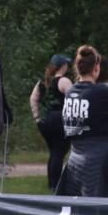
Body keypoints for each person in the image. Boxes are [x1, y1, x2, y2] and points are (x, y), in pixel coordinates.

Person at [55, 45, 108, 198]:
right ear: (96, 68)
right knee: (104, 210)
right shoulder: (102, 91)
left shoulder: (70, 92)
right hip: (98, 159)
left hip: (75, 157)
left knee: (78, 209)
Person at [29, 54, 73, 190]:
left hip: (47, 120)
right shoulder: (64, 81)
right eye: (66, 64)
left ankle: (52, 183)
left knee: (54, 152)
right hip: (60, 120)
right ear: (63, 66)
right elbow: (74, 99)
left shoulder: (43, 82)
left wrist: (37, 118)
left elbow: (33, 99)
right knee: (59, 152)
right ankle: (56, 185)